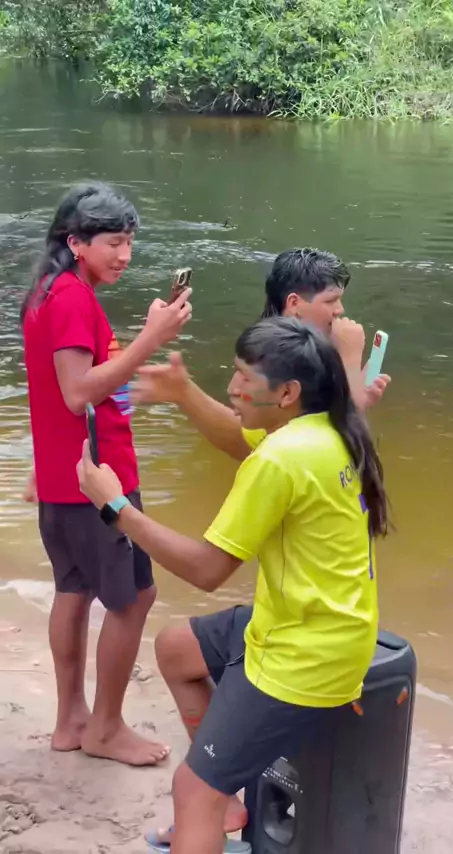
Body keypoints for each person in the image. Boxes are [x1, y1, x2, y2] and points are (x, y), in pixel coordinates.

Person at [77, 316, 388, 854]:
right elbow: (234, 434)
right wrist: (182, 391)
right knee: (177, 648)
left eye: (245, 378)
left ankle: (210, 795)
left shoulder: (280, 458)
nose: (232, 387)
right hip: (322, 625)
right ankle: (225, 794)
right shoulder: (329, 427)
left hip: (305, 656)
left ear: (287, 394)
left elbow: (206, 570)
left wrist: (116, 507)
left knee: (191, 790)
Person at [21, 181, 192, 766]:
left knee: (74, 590)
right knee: (134, 597)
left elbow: (59, 392)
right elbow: (77, 393)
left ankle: (71, 720)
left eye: (129, 242)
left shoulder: (48, 290)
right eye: (113, 242)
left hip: (64, 474)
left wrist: (43, 463)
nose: (125, 255)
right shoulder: (71, 297)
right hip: (98, 480)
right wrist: (152, 338)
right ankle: (105, 728)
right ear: (76, 242)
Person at [132, 248, 390, 462]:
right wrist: (350, 359)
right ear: (294, 304)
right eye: (331, 300)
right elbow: (248, 441)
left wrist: (355, 386)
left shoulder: (317, 349)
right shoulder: (274, 356)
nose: (340, 310)